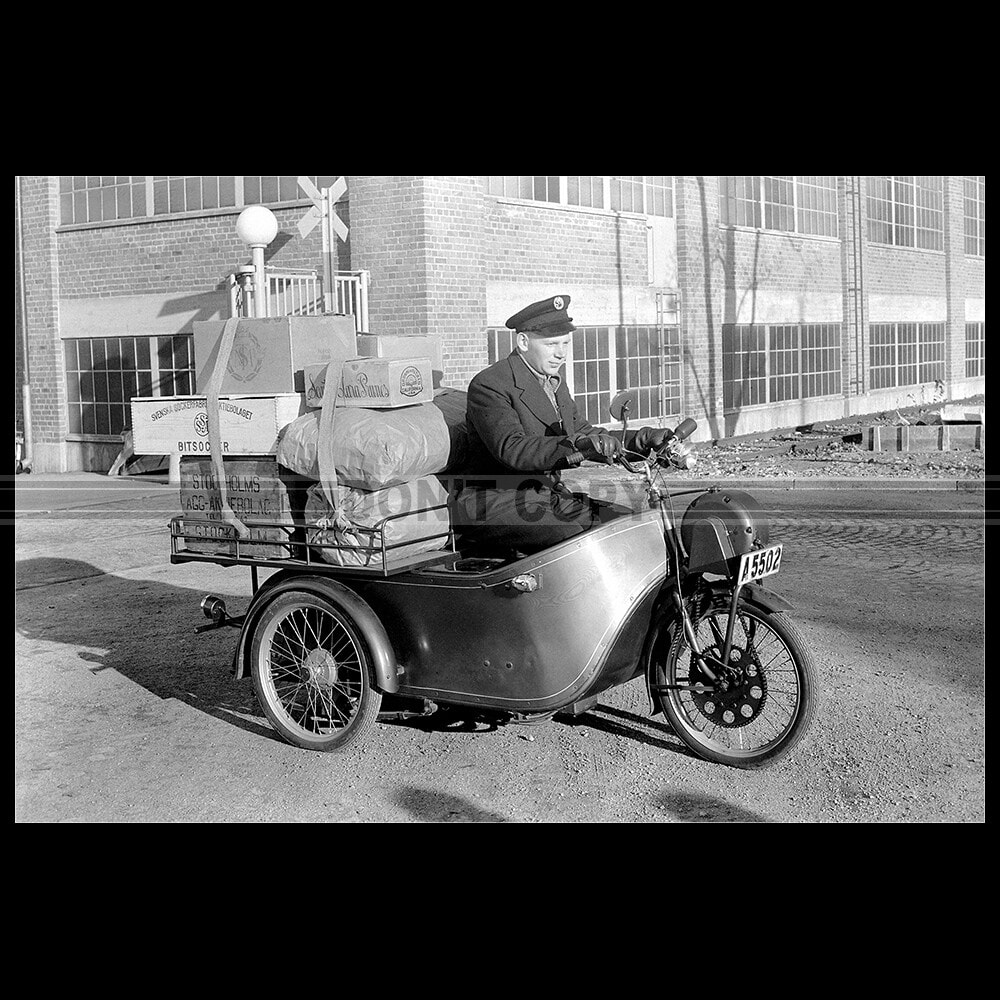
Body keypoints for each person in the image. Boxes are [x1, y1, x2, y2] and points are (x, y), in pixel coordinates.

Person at [450, 294, 676, 554]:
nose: (561, 353)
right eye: (552, 344)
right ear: (523, 341)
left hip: (545, 495)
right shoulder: (491, 384)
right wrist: (578, 446)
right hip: (493, 499)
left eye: (565, 343)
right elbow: (512, 448)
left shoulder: (552, 381)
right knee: (574, 544)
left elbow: (584, 432)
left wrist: (645, 439)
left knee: (627, 525)